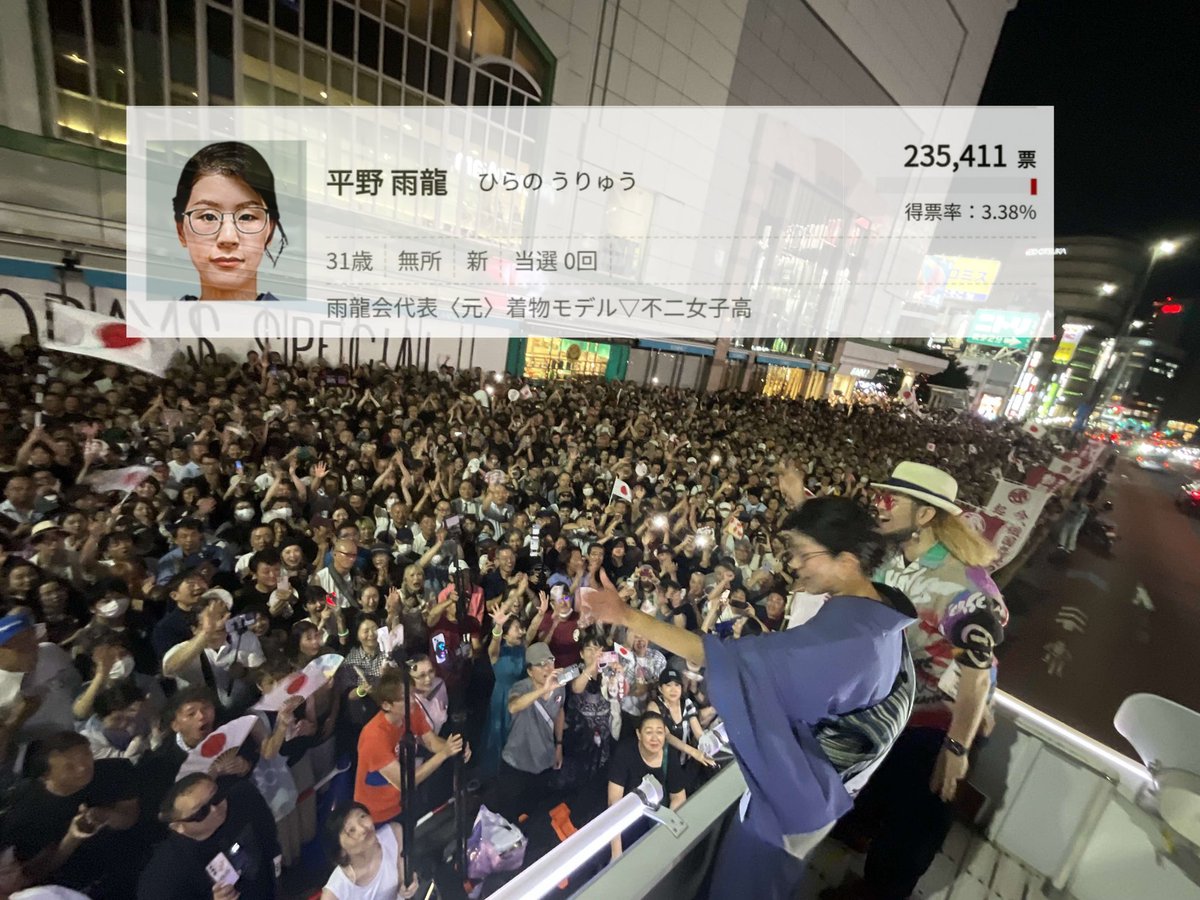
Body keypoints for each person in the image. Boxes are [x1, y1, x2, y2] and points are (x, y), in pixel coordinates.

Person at [581, 497, 918, 900]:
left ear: (846, 560)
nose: (794, 565)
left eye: (803, 555)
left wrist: (627, 616)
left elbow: (718, 657)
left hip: (786, 810)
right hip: (819, 793)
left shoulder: (842, 644)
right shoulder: (880, 618)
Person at [823, 462, 1007, 900]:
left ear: (925, 515)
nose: (880, 505)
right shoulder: (893, 559)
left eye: (893, 499)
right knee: (876, 798)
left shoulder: (964, 585)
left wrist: (957, 747)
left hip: (937, 728)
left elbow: (978, 674)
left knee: (908, 837)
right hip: (895, 714)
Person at [172, 141, 287, 302]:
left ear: (270, 230)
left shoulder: (297, 325)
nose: (228, 238)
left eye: (247, 217)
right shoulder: (155, 325)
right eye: (208, 217)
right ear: (181, 231)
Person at [137, 773, 281, 900]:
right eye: (201, 812)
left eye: (216, 797)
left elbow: (267, 833)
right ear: (178, 827)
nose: (215, 809)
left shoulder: (243, 796)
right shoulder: (165, 875)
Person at [354, 667, 466, 826]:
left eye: (413, 694)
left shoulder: (412, 710)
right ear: (387, 705)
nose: (412, 700)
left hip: (402, 803)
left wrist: (456, 748)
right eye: (404, 697)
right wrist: (444, 754)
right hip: (377, 813)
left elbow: (431, 741)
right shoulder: (374, 737)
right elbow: (405, 783)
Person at [486, 641, 565, 822]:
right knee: (509, 815)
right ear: (530, 671)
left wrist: (559, 744)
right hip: (516, 764)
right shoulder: (521, 687)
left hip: (543, 761)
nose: (548, 667)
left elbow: (560, 712)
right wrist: (543, 690)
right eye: (541, 664)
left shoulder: (559, 686)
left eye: (550, 661)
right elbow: (514, 706)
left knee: (536, 813)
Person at [605, 711, 687, 859]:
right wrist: (616, 853)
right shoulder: (625, 752)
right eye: (649, 732)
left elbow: (679, 797)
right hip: (626, 821)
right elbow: (614, 803)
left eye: (660, 732)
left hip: (655, 820)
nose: (655, 738)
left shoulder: (670, 755)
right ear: (639, 734)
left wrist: (663, 831)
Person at [320, 802, 418, 900]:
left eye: (362, 817)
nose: (363, 829)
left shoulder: (394, 833)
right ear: (341, 852)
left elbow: (405, 875)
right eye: (351, 830)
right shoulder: (335, 892)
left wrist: (409, 885)